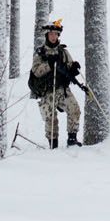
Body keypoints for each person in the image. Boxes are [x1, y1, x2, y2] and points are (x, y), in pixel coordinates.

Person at [29, 20, 81, 148]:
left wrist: (73, 69)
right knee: (50, 118)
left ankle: (72, 139)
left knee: (74, 109)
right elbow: (36, 71)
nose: (53, 37)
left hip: (62, 89)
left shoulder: (63, 52)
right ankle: (53, 144)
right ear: (47, 35)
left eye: (56, 34)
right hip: (47, 91)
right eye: (51, 34)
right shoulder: (40, 52)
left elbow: (69, 67)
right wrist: (49, 65)